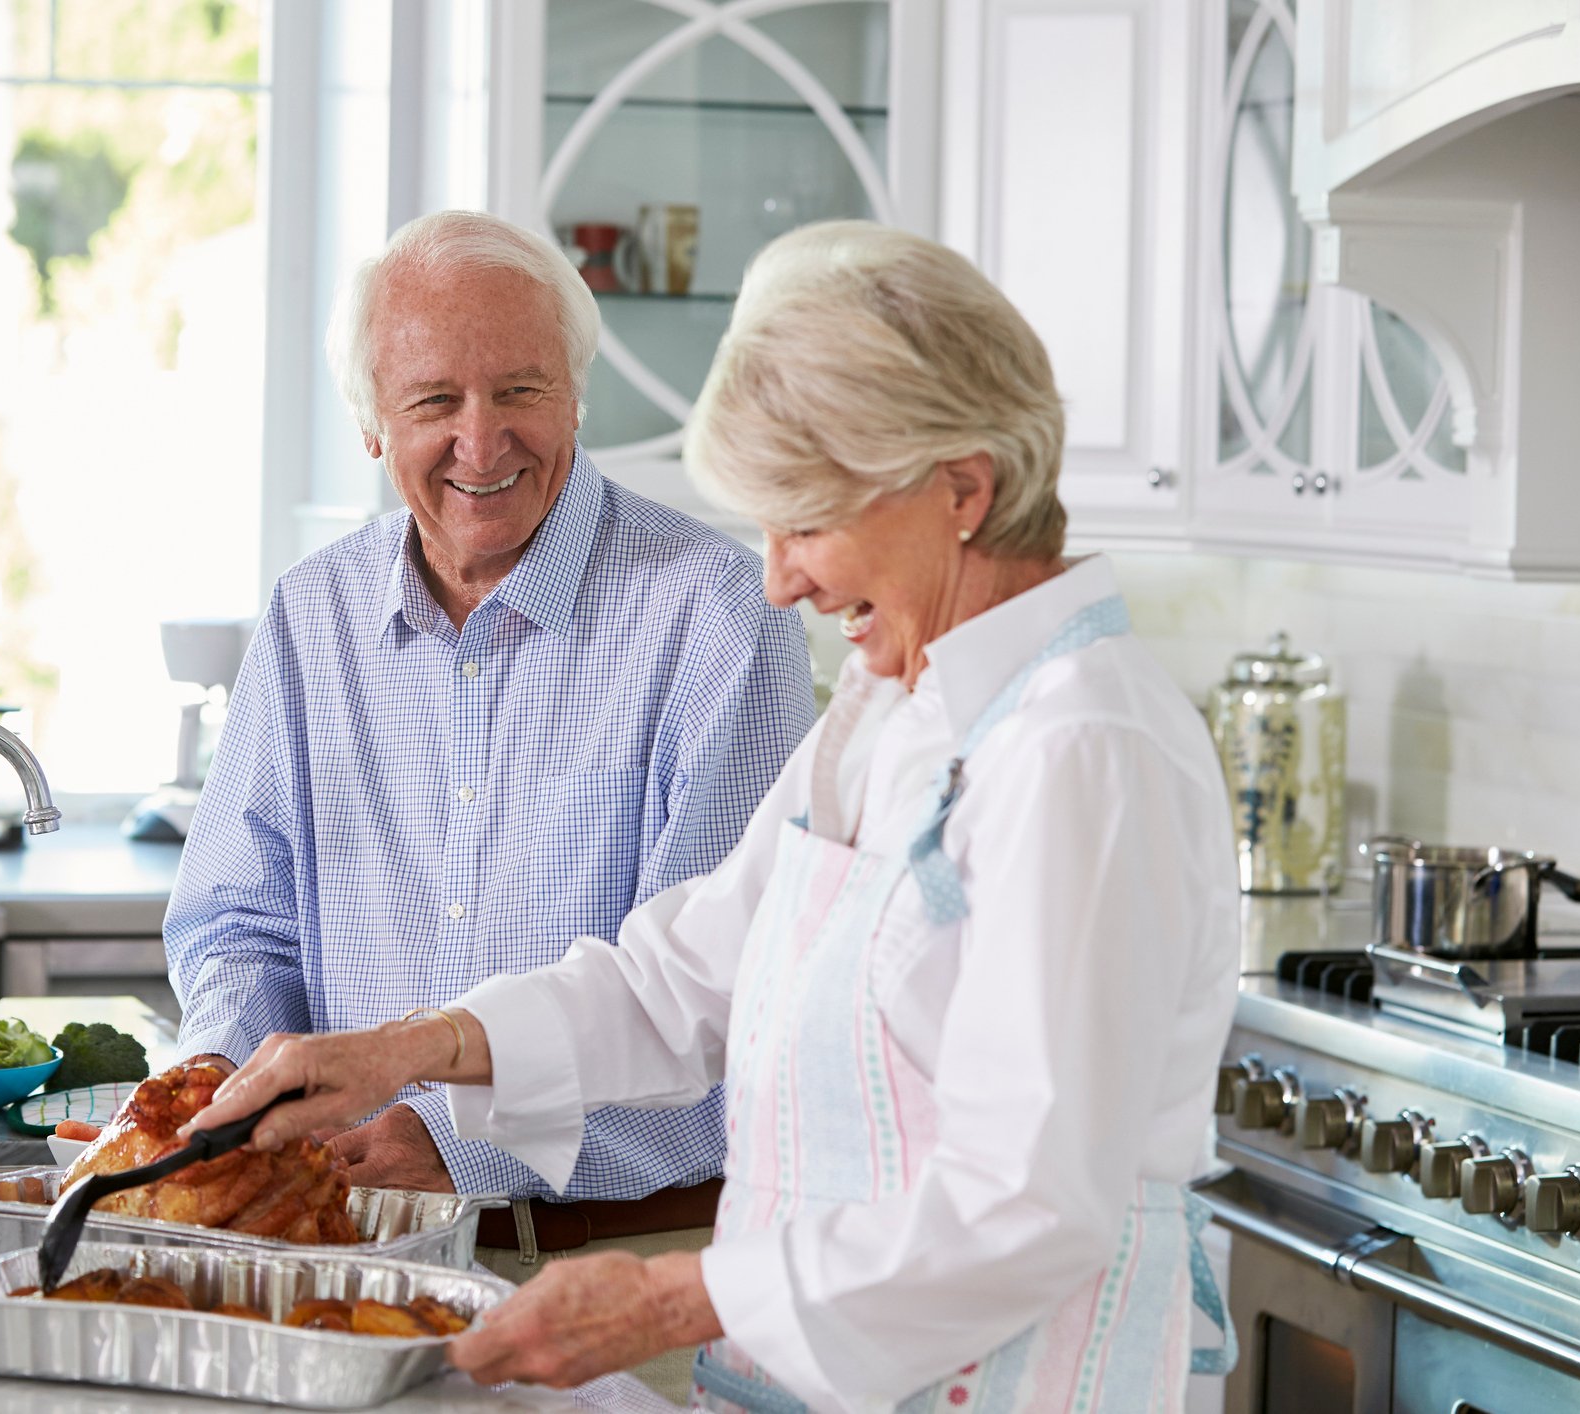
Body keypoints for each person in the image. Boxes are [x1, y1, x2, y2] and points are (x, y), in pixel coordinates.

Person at [186, 221, 1241, 1412]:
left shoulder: (1085, 747)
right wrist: (409, 1049)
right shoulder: (895, 707)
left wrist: (667, 1301)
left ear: (963, 488)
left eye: (807, 519)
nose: (781, 576)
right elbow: (674, 979)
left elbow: (1026, 1203)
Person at [162, 210, 815, 1297]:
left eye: (520, 390)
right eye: (433, 402)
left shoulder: (720, 618)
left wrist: (461, 1141)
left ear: (575, 392)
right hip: (342, 1249)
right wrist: (234, 1083)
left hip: (616, 1266)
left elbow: (716, 1000)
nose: (482, 441)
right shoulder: (310, 617)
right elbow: (240, 919)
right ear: (372, 426)